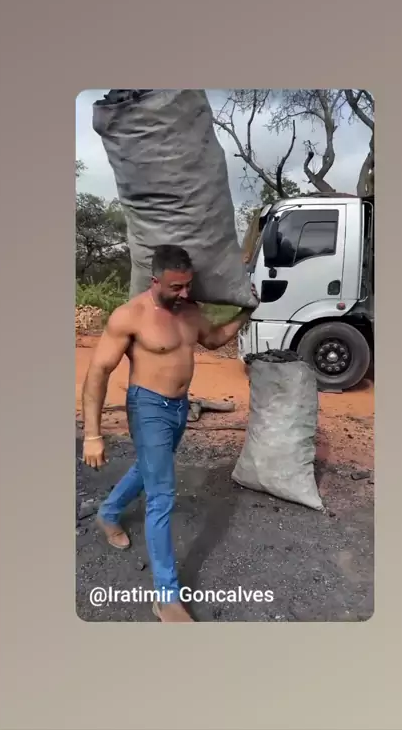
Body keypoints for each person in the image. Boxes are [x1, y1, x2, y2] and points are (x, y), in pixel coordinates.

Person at [81, 244, 256, 623]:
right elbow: (98, 372)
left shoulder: (190, 312)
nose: (184, 293)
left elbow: (213, 339)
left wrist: (246, 311)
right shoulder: (131, 316)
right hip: (147, 407)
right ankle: (166, 596)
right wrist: (92, 434)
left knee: (148, 469)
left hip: (179, 406)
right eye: (176, 287)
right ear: (154, 280)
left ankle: (108, 512)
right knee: (161, 495)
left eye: (188, 285)